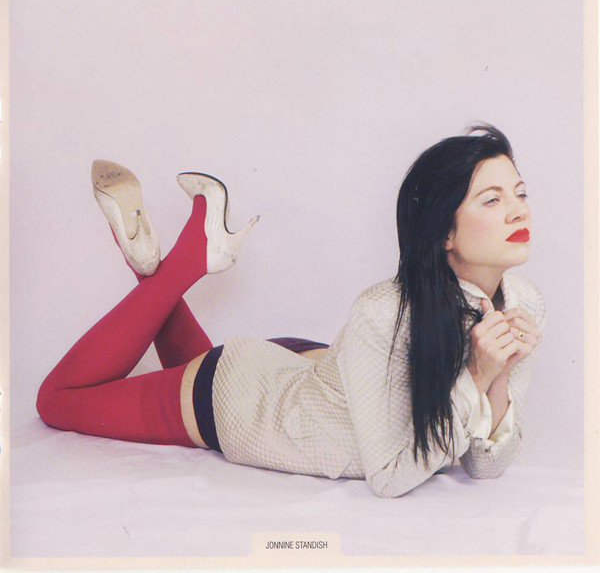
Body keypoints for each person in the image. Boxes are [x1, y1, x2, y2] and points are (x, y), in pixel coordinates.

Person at [36, 124, 544, 498]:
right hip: (252, 402)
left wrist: (498, 374)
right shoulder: (382, 312)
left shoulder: (523, 302)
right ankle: (189, 257)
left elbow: (484, 466)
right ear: (444, 231)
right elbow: (390, 477)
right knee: (57, 401)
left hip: (308, 376)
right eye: (492, 200)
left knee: (181, 369)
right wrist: (478, 375)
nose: (519, 210)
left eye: (520, 193)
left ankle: (152, 264)